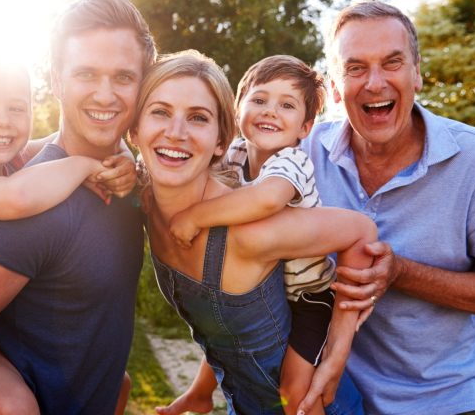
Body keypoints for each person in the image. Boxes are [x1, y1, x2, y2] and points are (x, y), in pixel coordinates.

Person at [0, 0, 157, 414]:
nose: (105, 94)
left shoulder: (119, 180)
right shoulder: (32, 202)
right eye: (86, 74)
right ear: (56, 80)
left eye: (124, 77)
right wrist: (82, 165)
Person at [300, 0, 475, 414]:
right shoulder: (305, 155)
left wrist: (401, 273)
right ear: (333, 87)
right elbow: (224, 159)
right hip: (334, 397)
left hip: (448, 399)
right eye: (354, 68)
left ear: (416, 72)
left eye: (392, 62)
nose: (374, 83)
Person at [130, 50, 375, 415]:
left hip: (312, 299)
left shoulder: (280, 179)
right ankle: (200, 393)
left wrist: (338, 351)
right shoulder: (218, 164)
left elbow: (354, 228)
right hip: (246, 401)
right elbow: (225, 327)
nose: (176, 132)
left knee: (295, 390)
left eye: (197, 117)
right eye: (160, 112)